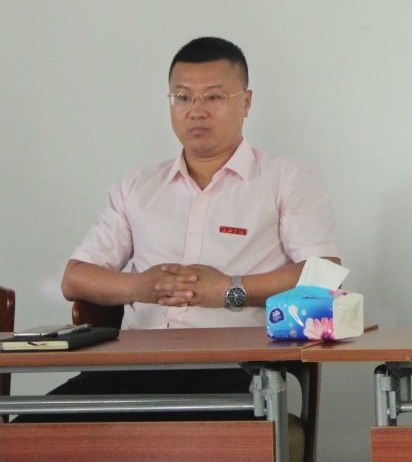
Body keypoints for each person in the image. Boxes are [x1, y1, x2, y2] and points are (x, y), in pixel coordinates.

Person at [48, 36, 340, 417]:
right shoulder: (136, 187)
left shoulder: (287, 179)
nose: (196, 111)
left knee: (193, 434)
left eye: (213, 97)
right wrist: (140, 287)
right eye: (183, 97)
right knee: (24, 431)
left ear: (246, 102)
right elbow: (74, 279)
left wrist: (229, 289)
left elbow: (323, 275)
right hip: (133, 367)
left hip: (237, 371)